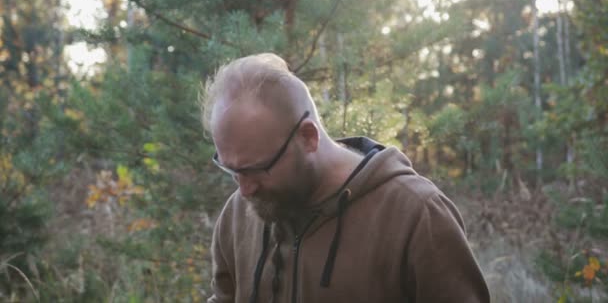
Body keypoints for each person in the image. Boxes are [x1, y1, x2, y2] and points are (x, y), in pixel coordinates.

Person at [201, 53, 490, 303]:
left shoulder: (416, 217)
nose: (245, 189)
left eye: (257, 169)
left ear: (308, 137)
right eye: (231, 170)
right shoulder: (239, 214)